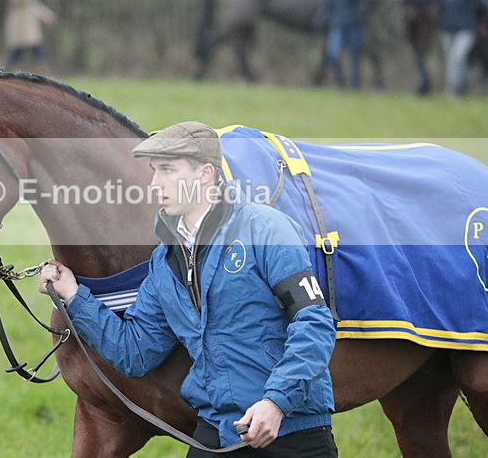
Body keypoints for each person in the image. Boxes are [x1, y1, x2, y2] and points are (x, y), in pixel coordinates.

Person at [39, 122, 338, 457]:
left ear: (205, 174)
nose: (155, 183)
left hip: (291, 430)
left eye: (167, 170)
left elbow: (314, 323)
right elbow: (136, 352)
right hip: (216, 433)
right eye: (154, 171)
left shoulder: (265, 229)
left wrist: (276, 403)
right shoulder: (164, 262)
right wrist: (74, 296)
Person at [313, 0, 367, 90]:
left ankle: (356, 87)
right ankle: (340, 82)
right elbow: (325, 8)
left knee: (355, 58)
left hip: (354, 26)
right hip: (337, 27)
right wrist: (319, 21)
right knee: (332, 54)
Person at [2, 0, 57, 71]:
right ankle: (4, 70)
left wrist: (48, 15)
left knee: (33, 48)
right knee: (18, 50)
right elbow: (17, 0)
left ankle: (42, 70)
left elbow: (35, 5)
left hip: (29, 26)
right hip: (19, 25)